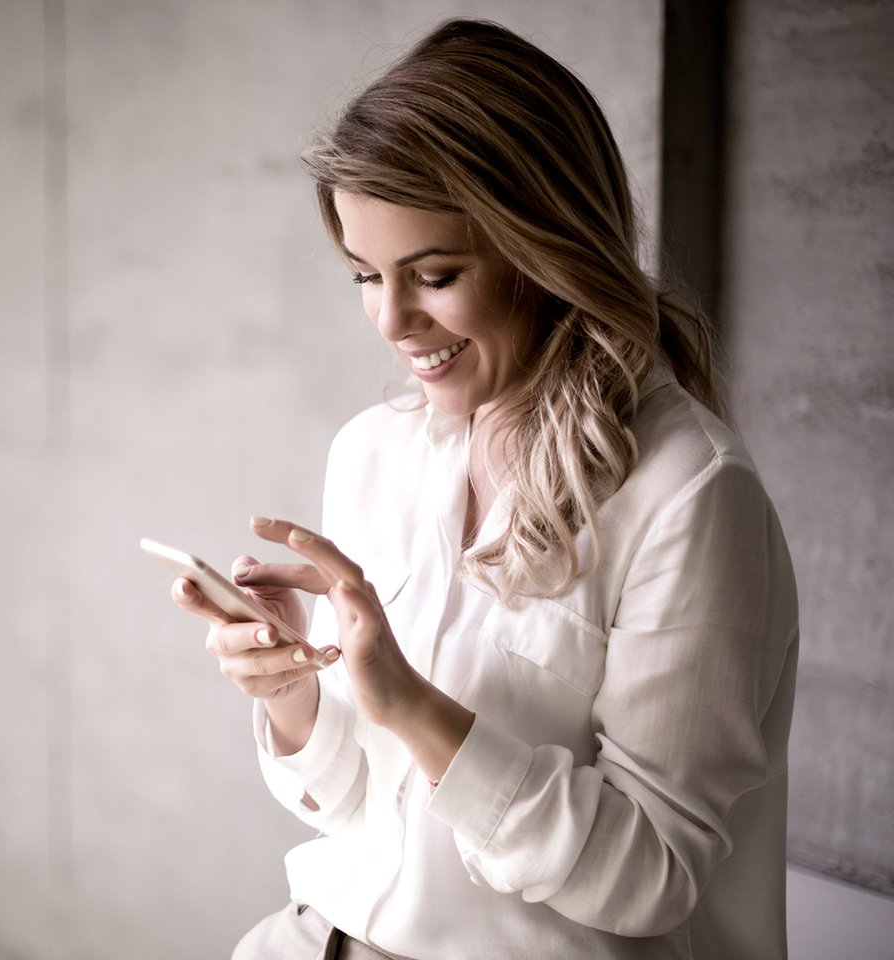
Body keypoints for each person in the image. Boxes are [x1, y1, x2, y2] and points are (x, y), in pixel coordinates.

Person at [166, 19, 799, 960]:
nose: (391, 319)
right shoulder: (373, 453)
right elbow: (354, 804)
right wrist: (297, 691)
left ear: (548, 244)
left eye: (434, 275)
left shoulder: (689, 493)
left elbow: (652, 871)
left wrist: (417, 707)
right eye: (364, 275)